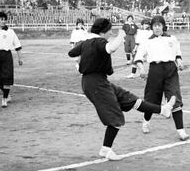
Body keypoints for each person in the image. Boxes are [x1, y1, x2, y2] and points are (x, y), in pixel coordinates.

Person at [68, 18, 176, 161]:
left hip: (97, 81)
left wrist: (83, 56)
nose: (110, 34)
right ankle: (106, 150)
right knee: (116, 117)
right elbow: (110, 48)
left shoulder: (87, 42)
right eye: (109, 31)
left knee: (129, 99)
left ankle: (164, 110)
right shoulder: (98, 41)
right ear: (103, 31)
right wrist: (121, 35)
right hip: (95, 83)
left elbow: (71, 53)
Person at [134, 15, 190, 141]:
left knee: (175, 99)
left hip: (171, 71)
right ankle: (146, 122)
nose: (157, 28)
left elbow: (177, 54)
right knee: (151, 101)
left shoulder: (172, 39)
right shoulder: (147, 41)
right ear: (152, 27)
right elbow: (138, 58)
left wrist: (179, 62)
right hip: (155, 71)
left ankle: (181, 131)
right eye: (155, 25)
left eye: (159, 25)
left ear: (163, 26)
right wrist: (141, 69)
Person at [0, 12, 23, 108]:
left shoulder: (10, 32)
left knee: (7, 78)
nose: (3, 21)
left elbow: (17, 45)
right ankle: (7, 95)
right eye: (1, 19)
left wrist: (20, 58)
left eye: (5, 19)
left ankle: (4, 99)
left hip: (7, 55)